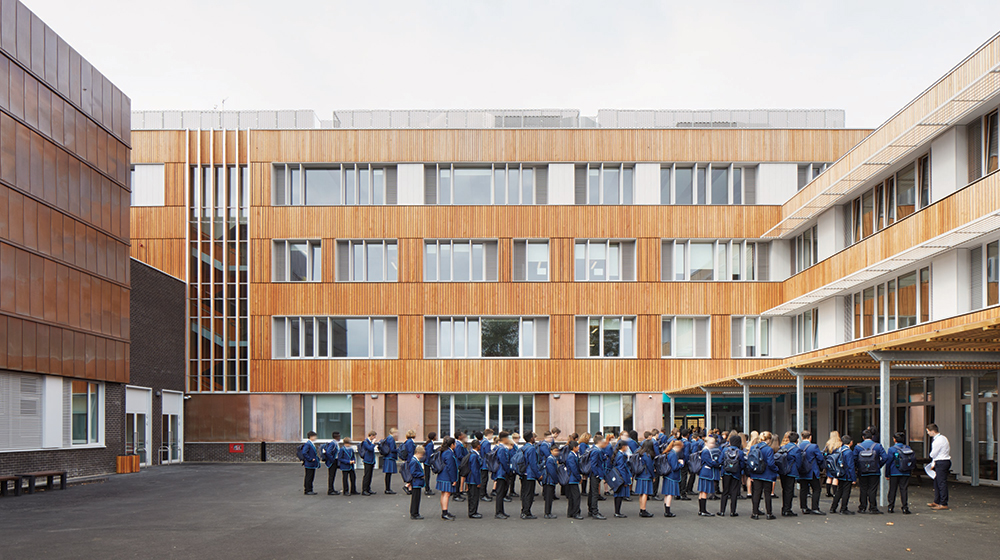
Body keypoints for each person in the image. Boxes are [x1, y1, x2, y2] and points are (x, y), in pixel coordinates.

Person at [854, 429, 887, 514]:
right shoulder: (878, 446)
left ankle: (862, 507)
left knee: (863, 489)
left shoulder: (858, 447)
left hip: (862, 471)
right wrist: (878, 465)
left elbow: (854, 458)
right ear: (872, 437)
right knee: (873, 489)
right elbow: (885, 457)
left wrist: (858, 467)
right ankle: (873, 507)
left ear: (863, 437)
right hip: (874, 470)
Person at [749, 431, 777, 520]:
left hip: (756, 473)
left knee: (757, 493)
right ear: (768, 440)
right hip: (767, 474)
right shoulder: (769, 449)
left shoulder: (753, 447)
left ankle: (755, 512)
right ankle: (769, 513)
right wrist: (776, 469)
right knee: (767, 494)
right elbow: (771, 463)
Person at [796, 430, 824, 515]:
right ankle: (815, 507)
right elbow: (820, 458)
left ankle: (804, 507)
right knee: (816, 489)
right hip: (812, 471)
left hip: (802, 471)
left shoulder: (798, 446)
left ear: (802, 437)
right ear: (810, 437)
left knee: (803, 489)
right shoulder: (814, 446)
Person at [886, 431, 914, 514]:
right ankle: (905, 507)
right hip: (905, 472)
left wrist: (887, 473)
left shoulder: (892, 449)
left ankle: (891, 507)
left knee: (892, 489)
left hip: (894, 471)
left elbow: (888, 462)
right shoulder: (908, 448)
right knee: (904, 489)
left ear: (894, 440)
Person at [777, 431, 802, 517]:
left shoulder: (783, 447)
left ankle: (784, 508)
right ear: (797, 440)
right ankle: (787, 509)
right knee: (789, 491)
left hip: (783, 471)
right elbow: (799, 462)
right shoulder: (797, 449)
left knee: (785, 490)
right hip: (791, 472)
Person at [927, 423, 951, 510]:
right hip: (943, 461)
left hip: (941, 461)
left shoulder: (938, 441)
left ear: (932, 431)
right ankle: (937, 501)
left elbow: (933, 454)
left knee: (941, 483)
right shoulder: (943, 438)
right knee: (937, 482)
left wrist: (931, 456)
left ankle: (943, 503)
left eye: (928, 431)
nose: (928, 433)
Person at [830, 434, 856, 515]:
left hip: (839, 473)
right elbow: (850, 466)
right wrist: (854, 478)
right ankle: (843, 508)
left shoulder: (839, 449)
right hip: (846, 474)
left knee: (839, 491)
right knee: (846, 492)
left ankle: (833, 507)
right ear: (851, 442)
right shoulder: (848, 452)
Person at [719, 434, 744, 517]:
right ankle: (733, 511)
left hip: (726, 472)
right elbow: (742, 464)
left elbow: (720, 461)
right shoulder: (740, 452)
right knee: (734, 492)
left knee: (725, 491)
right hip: (736, 473)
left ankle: (722, 511)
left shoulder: (725, 450)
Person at [697, 434, 722, 517]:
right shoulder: (706, 451)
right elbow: (710, 462)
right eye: (711, 443)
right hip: (706, 473)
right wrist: (717, 463)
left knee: (702, 492)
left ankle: (701, 510)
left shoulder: (705, 451)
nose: (713, 445)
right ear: (706, 443)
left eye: (713, 443)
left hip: (704, 472)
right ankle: (703, 510)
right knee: (704, 491)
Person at [435, 436, 458, 520]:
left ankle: (444, 511)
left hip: (441, 475)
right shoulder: (449, 453)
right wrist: (453, 480)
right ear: (452, 444)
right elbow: (450, 467)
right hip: (447, 476)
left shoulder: (442, 451)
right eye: (454, 443)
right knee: (447, 494)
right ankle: (444, 512)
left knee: (443, 494)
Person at [492, 432, 513, 519]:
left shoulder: (502, 448)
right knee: (500, 494)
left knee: (501, 493)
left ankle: (501, 511)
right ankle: (498, 512)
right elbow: (503, 461)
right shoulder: (501, 449)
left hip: (502, 473)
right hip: (501, 473)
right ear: (504, 439)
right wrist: (508, 470)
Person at [661, 439, 684, 517]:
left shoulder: (668, 453)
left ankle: (666, 510)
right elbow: (674, 467)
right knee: (670, 494)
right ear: (677, 446)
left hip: (667, 475)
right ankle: (668, 511)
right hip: (672, 476)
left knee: (666, 494)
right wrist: (681, 464)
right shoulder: (673, 454)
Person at [586, 435, 608, 519]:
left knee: (592, 492)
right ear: (599, 442)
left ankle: (591, 510)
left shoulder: (595, 449)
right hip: (595, 474)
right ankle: (594, 511)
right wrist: (597, 474)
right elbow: (594, 464)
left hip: (595, 473)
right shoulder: (596, 451)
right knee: (594, 493)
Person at [634, 439, 657, 517]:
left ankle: (641, 509)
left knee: (641, 493)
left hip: (640, 474)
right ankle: (643, 510)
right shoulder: (647, 455)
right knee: (645, 493)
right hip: (646, 475)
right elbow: (650, 467)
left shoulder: (639, 453)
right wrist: (653, 476)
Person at [521, 432, 540, 519]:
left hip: (524, 473)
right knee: (529, 494)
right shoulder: (531, 449)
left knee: (525, 493)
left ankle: (524, 510)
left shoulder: (524, 447)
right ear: (531, 438)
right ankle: (526, 512)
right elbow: (533, 463)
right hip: (530, 474)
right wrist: (538, 475)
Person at [611, 440, 632, 518]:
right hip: (620, 477)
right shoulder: (621, 455)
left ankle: (617, 511)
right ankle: (617, 512)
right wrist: (625, 480)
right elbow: (622, 468)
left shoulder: (618, 454)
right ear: (623, 447)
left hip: (617, 476)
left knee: (617, 494)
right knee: (619, 495)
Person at [406, 445, 426, 519]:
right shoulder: (414, 461)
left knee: (416, 498)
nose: (421, 456)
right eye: (421, 454)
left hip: (416, 482)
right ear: (417, 453)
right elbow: (413, 472)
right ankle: (414, 513)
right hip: (416, 482)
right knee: (415, 499)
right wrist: (421, 474)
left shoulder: (415, 460)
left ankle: (415, 512)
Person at [565, 440, 584, 519]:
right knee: (576, 496)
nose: (578, 447)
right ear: (574, 447)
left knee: (572, 496)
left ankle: (571, 512)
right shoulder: (571, 456)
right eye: (577, 446)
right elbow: (574, 468)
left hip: (572, 478)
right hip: (572, 479)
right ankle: (576, 512)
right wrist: (579, 477)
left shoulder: (574, 455)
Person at [466, 439, 484, 518]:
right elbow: (474, 469)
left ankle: (472, 511)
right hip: (473, 479)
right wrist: (478, 482)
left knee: (472, 496)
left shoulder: (472, 453)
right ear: (478, 446)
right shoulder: (474, 455)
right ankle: (472, 512)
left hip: (471, 479)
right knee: (474, 496)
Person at [542, 444, 560, 518]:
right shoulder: (550, 459)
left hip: (551, 480)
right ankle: (547, 513)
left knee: (550, 497)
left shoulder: (554, 458)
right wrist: (556, 479)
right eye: (555, 451)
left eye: (557, 450)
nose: (557, 452)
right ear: (551, 451)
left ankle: (548, 512)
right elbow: (551, 471)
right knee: (549, 498)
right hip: (549, 481)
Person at [823, 431, 843, 498]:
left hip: (829, 461)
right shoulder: (840, 444)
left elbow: (824, 452)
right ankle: (835, 493)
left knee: (829, 477)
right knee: (835, 477)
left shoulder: (828, 444)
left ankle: (828, 492)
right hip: (836, 462)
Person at [301, 431, 320, 495]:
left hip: (312, 463)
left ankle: (310, 489)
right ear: (311, 437)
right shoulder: (308, 444)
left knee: (311, 476)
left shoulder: (311, 443)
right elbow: (304, 452)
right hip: (309, 463)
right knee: (309, 477)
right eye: (314, 436)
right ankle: (307, 490)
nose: (315, 438)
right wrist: (310, 459)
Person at [360, 431, 378, 496]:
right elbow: (370, 448)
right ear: (371, 436)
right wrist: (373, 443)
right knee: (366, 476)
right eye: (374, 436)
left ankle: (368, 488)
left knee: (370, 475)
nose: (375, 438)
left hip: (371, 461)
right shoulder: (365, 442)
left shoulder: (369, 442)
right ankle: (364, 490)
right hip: (367, 461)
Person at [400, 430, 417, 496]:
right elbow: (410, 451)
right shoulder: (410, 442)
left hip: (408, 459)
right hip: (410, 460)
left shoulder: (407, 441)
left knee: (410, 473)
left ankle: (410, 489)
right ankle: (407, 486)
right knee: (411, 474)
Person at [382, 428, 399, 495]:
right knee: (388, 474)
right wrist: (398, 449)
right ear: (393, 433)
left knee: (388, 474)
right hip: (390, 457)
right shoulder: (391, 439)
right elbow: (392, 449)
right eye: (396, 433)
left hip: (387, 457)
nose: (397, 434)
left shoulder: (387, 438)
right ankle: (388, 489)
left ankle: (387, 488)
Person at [453, 432, 468, 502]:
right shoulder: (458, 444)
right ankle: (456, 494)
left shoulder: (458, 443)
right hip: (459, 464)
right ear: (459, 436)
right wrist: (465, 459)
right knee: (457, 480)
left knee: (458, 479)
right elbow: (459, 455)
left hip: (458, 463)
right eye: (462, 435)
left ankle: (458, 493)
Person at [479, 430, 493, 502]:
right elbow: (488, 454)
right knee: (484, 480)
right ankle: (482, 494)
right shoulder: (486, 443)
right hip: (485, 463)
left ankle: (483, 493)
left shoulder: (481, 441)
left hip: (481, 462)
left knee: (482, 479)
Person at [422, 432, 437, 497]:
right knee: (427, 476)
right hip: (427, 462)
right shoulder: (430, 444)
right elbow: (429, 454)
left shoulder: (429, 443)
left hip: (426, 461)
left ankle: (427, 488)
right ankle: (427, 489)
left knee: (427, 475)